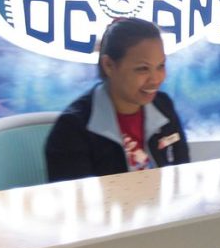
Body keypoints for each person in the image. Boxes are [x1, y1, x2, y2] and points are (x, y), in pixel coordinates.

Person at [46, 18, 190, 182]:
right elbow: (75, 196)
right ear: (109, 65)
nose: (156, 79)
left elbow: (182, 173)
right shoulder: (72, 128)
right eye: (143, 69)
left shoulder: (163, 105)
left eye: (161, 66)